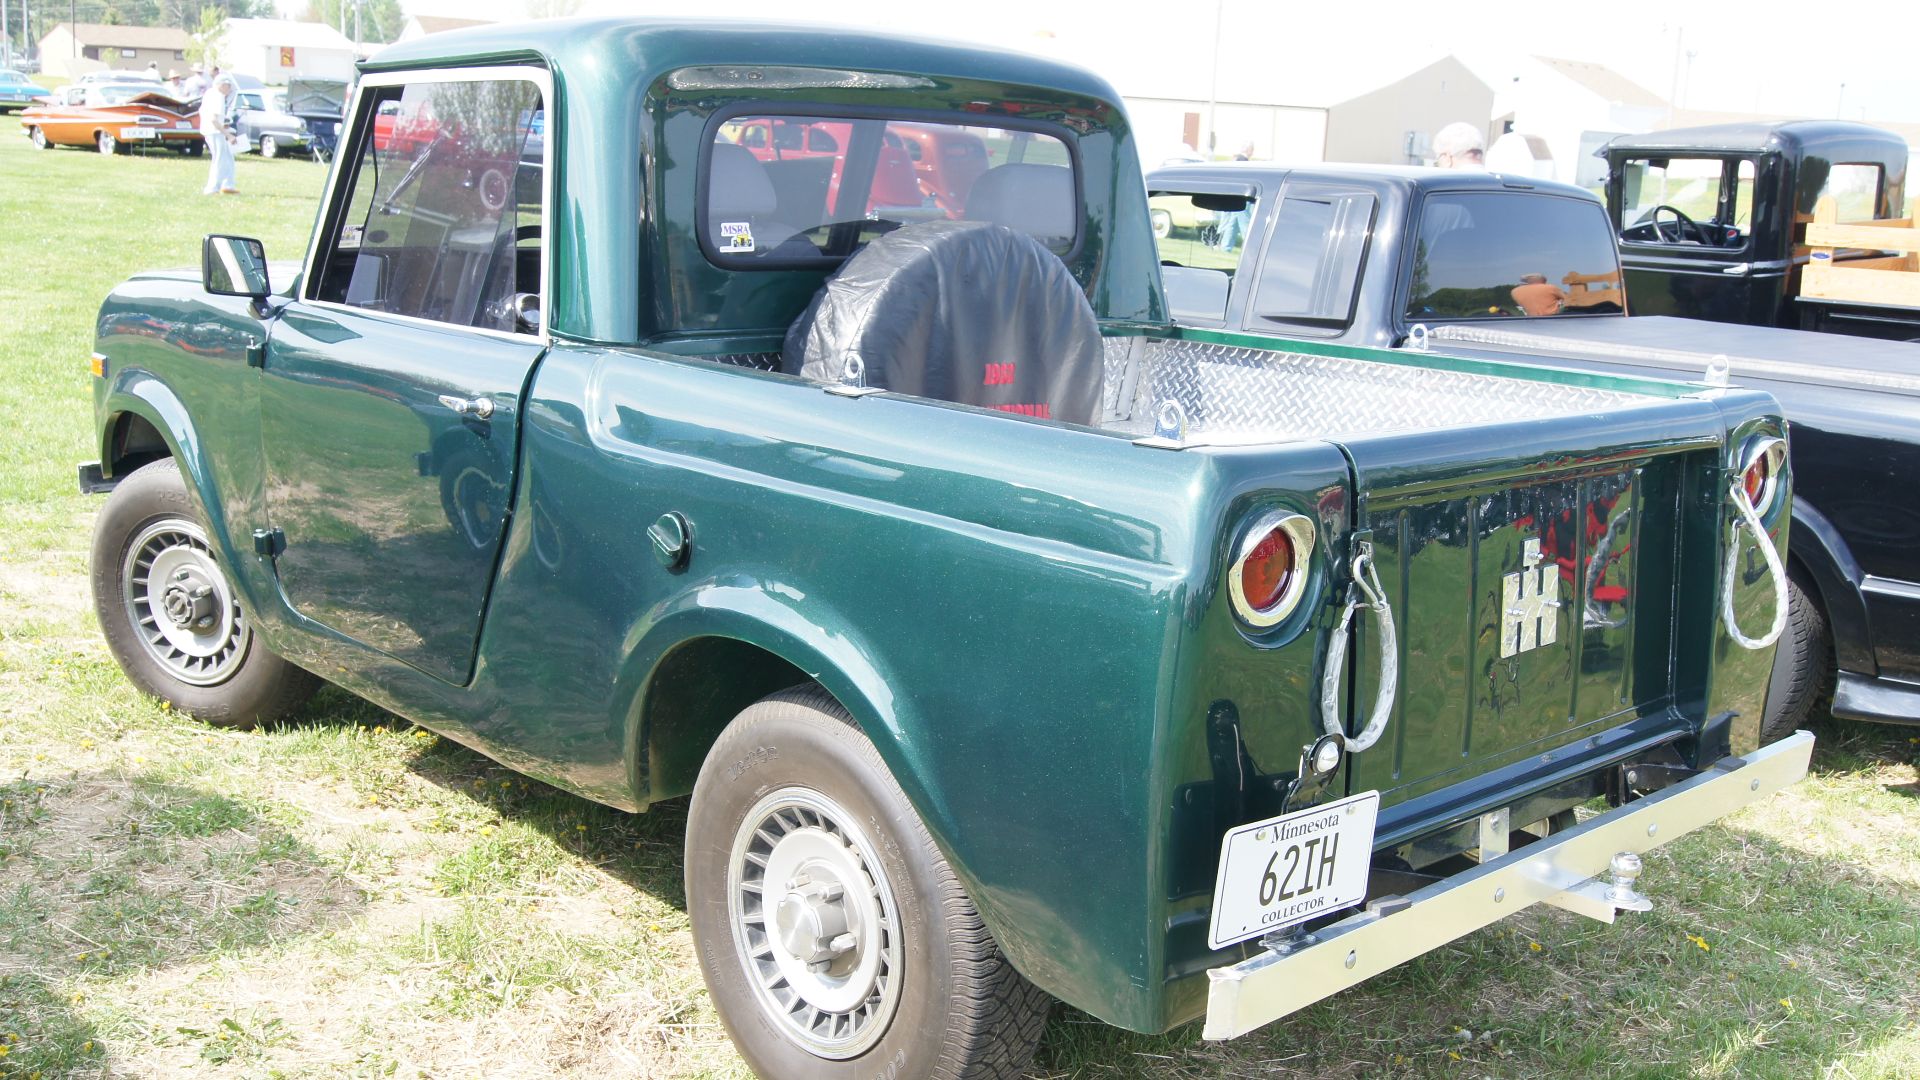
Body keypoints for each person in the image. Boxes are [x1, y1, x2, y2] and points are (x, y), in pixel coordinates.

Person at [200, 74, 239, 195]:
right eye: (228, 86)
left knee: (227, 158)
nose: (229, 90)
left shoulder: (210, 93)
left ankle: (228, 185)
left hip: (212, 131)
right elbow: (214, 120)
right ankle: (212, 188)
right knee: (220, 160)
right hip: (215, 132)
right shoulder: (218, 96)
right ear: (222, 85)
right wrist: (228, 135)